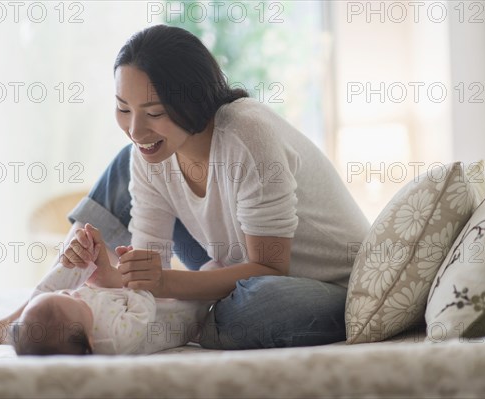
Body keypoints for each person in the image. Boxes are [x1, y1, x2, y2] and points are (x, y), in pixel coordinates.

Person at [61, 24, 370, 350]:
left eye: (154, 112)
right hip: (233, 263)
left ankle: (191, 319)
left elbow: (269, 267)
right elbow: (151, 268)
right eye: (123, 108)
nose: (135, 129)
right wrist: (120, 274)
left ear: (192, 101)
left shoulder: (248, 134)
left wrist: (164, 284)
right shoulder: (149, 150)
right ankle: (55, 293)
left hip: (323, 285)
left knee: (259, 304)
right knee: (131, 157)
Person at [0, 224, 210, 355]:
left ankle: (78, 254)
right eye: (73, 298)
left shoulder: (53, 322)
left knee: (58, 281)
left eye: (64, 293)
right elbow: (144, 309)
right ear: (91, 340)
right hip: (181, 315)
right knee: (209, 280)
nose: (70, 293)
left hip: (121, 291)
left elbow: (47, 292)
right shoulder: (115, 339)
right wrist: (130, 281)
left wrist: (75, 262)